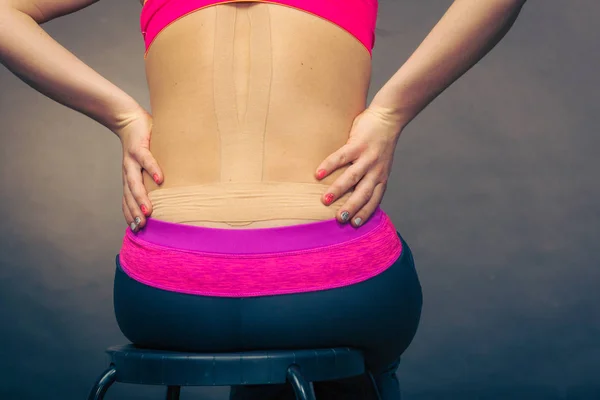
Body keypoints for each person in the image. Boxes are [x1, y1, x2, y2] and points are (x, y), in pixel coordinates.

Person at [0, 0, 527, 398]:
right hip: (337, 283)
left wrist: (123, 116)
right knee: (352, 364)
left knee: (262, 346)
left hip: (164, 291)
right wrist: (390, 113)